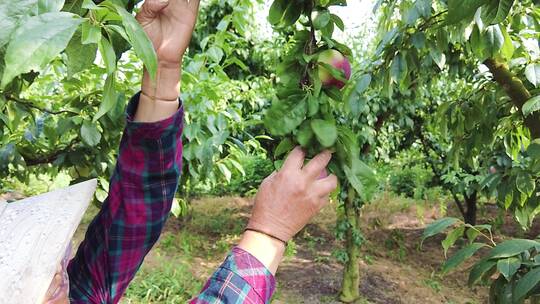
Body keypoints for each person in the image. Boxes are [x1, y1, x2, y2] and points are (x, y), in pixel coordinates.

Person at [43, 0, 338, 303]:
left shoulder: (70, 292)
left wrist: (162, 70)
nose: (52, 273)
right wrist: (269, 233)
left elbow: (134, 209)